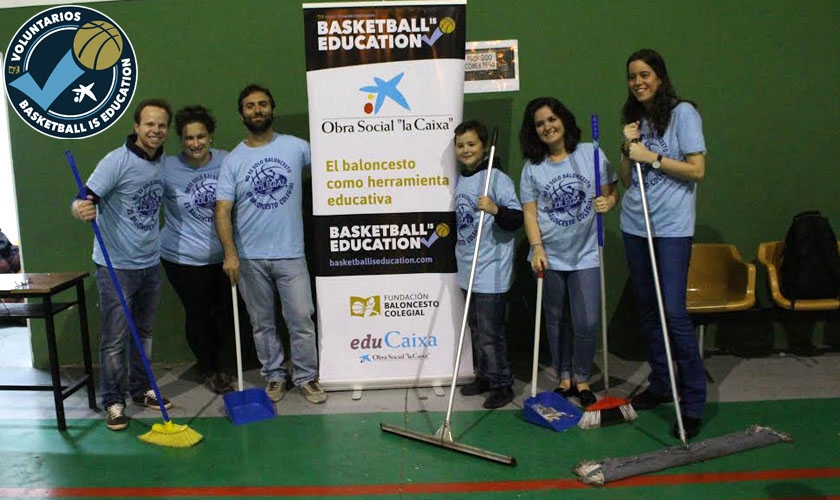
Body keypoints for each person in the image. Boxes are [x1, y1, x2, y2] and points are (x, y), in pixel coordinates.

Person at [214, 84, 325, 404]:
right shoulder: (233, 160)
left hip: (291, 254)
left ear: (272, 108)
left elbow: (333, 165)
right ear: (241, 114)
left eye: (262, 104)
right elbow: (223, 210)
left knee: (302, 318)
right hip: (249, 259)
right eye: (250, 106)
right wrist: (231, 255)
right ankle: (275, 376)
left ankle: (306, 377)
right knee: (262, 324)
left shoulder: (296, 147)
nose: (257, 110)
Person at [618, 48, 707, 439]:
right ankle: (660, 385)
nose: (638, 82)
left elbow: (697, 170)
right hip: (635, 224)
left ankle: (692, 402)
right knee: (649, 312)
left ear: (659, 76)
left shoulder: (683, 113)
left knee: (673, 312)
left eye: (645, 74)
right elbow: (625, 179)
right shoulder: (635, 119)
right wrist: (627, 150)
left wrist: (651, 157)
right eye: (632, 76)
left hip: (671, 228)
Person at [71, 99, 173, 431]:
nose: (156, 130)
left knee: (142, 333)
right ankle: (113, 401)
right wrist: (80, 210)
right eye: (150, 124)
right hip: (116, 266)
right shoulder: (116, 161)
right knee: (115, 338)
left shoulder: (162, 163)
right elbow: (82, 199)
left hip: (150, 264)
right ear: (136, 126)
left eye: (161, 125)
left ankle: (141, 389)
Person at [518, 97, 618, 408]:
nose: (547, 127)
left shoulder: (592, 153)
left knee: (586, 321)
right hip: (550, 254)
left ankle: (582, 376)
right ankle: (564, 377)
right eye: (539, 124)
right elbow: (531, 214)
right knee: (556, 318)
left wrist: (609, 202)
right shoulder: (533, 168)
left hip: (586, 251)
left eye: (551, 119)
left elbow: (611, 189)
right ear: (533, 131)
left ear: (563, 120)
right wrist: (536, 247)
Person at [160, 105, 233, 395]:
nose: (195, 144)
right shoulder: (166, 166)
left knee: (224, 314)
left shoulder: (228, 161)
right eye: (189, 138)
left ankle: (219, 363)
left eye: (201, 137)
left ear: (210, 137)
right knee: (198, 313)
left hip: (224, 255)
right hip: (182, 259)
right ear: (181, 139)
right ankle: (208, 368)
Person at [453, 120, 522, 409]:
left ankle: (502, 383)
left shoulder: (497, 179)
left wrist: (495, 209)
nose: (466, 150)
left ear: (484, 147)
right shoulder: (461, 180)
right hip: (467, 269)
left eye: (471, 144)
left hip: (491, 270)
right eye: (460, 145)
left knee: (491, 332)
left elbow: (516, 219)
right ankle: (483, 375)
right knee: (477, 330)